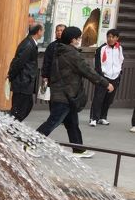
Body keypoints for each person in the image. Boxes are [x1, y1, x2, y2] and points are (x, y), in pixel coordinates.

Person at [35, 26, 113, 157]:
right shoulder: (72, 54)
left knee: (72, 124)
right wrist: (106, 84)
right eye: (78, 38)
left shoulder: (59, 50)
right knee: (52, 122)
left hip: (64, 94)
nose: (79, 40)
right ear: (72, 39)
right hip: (65, 96)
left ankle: (78, 149)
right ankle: (30, 143)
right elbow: (88, 71)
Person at [7, 23, 43, 121]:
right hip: (22, 81)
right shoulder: (28, 44)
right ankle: (10, 128)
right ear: (39, 31)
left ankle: (12, 127)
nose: (42, 33)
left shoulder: (31, 43)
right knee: (19, 109)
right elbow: (19, 62)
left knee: (26, 106)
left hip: (26, 81)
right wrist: (11, 76)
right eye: (42, 30)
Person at [89, 29, 123, 126]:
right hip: (103, 77)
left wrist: (119, 72)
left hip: (115, 77)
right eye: (109, 36)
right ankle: (93, 118)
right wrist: (101, 76)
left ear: (117, 38)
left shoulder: (119, 48)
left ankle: (103, 117)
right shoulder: (101, 49)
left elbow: (121, 60)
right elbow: (97, 65)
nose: (110, 39)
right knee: (98, 98)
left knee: (108, 99)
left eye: (113, 37)